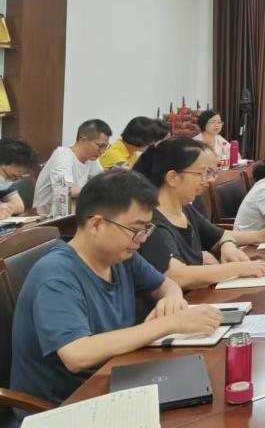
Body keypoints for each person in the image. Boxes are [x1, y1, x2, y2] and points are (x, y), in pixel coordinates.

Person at [9, 171, 223, 409]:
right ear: (97, 225)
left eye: (147, 229)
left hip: (115, 381)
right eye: (136, 229)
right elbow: (77, 354)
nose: (142, 239)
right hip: (65, 406)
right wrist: (170, 324)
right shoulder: (56, 275)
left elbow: (166, 284)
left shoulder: (120, 255)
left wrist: (171, 298)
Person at [134, 138, 265, 307]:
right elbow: (177, 275)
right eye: (202, 173)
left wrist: (228, 246)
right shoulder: (152, 222)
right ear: (173, 177)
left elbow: (220, 235)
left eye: (210, 173)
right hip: (171, 311)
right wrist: (240, 268)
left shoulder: (185, 210)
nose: (209, 180)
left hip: (197, 301)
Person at [34, 119, 112, 217]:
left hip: (72, 211)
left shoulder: (91, 158)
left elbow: (102, 183)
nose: (102, 151)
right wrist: (95, 192)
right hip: (46, 216)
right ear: (83, 140)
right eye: (100, 146)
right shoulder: (62, 155)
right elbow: (63, 189)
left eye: (105, 147)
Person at [99, 117, 170, 170]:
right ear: (139, 138)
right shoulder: (116, 156)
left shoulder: (131, 151)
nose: (152, 143)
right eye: (151, 139)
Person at [0, 138, 36, 218]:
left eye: (16, 178)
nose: (11, 180)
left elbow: (19, 205)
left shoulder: (4, 183)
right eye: (10, 176)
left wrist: (7, 209)